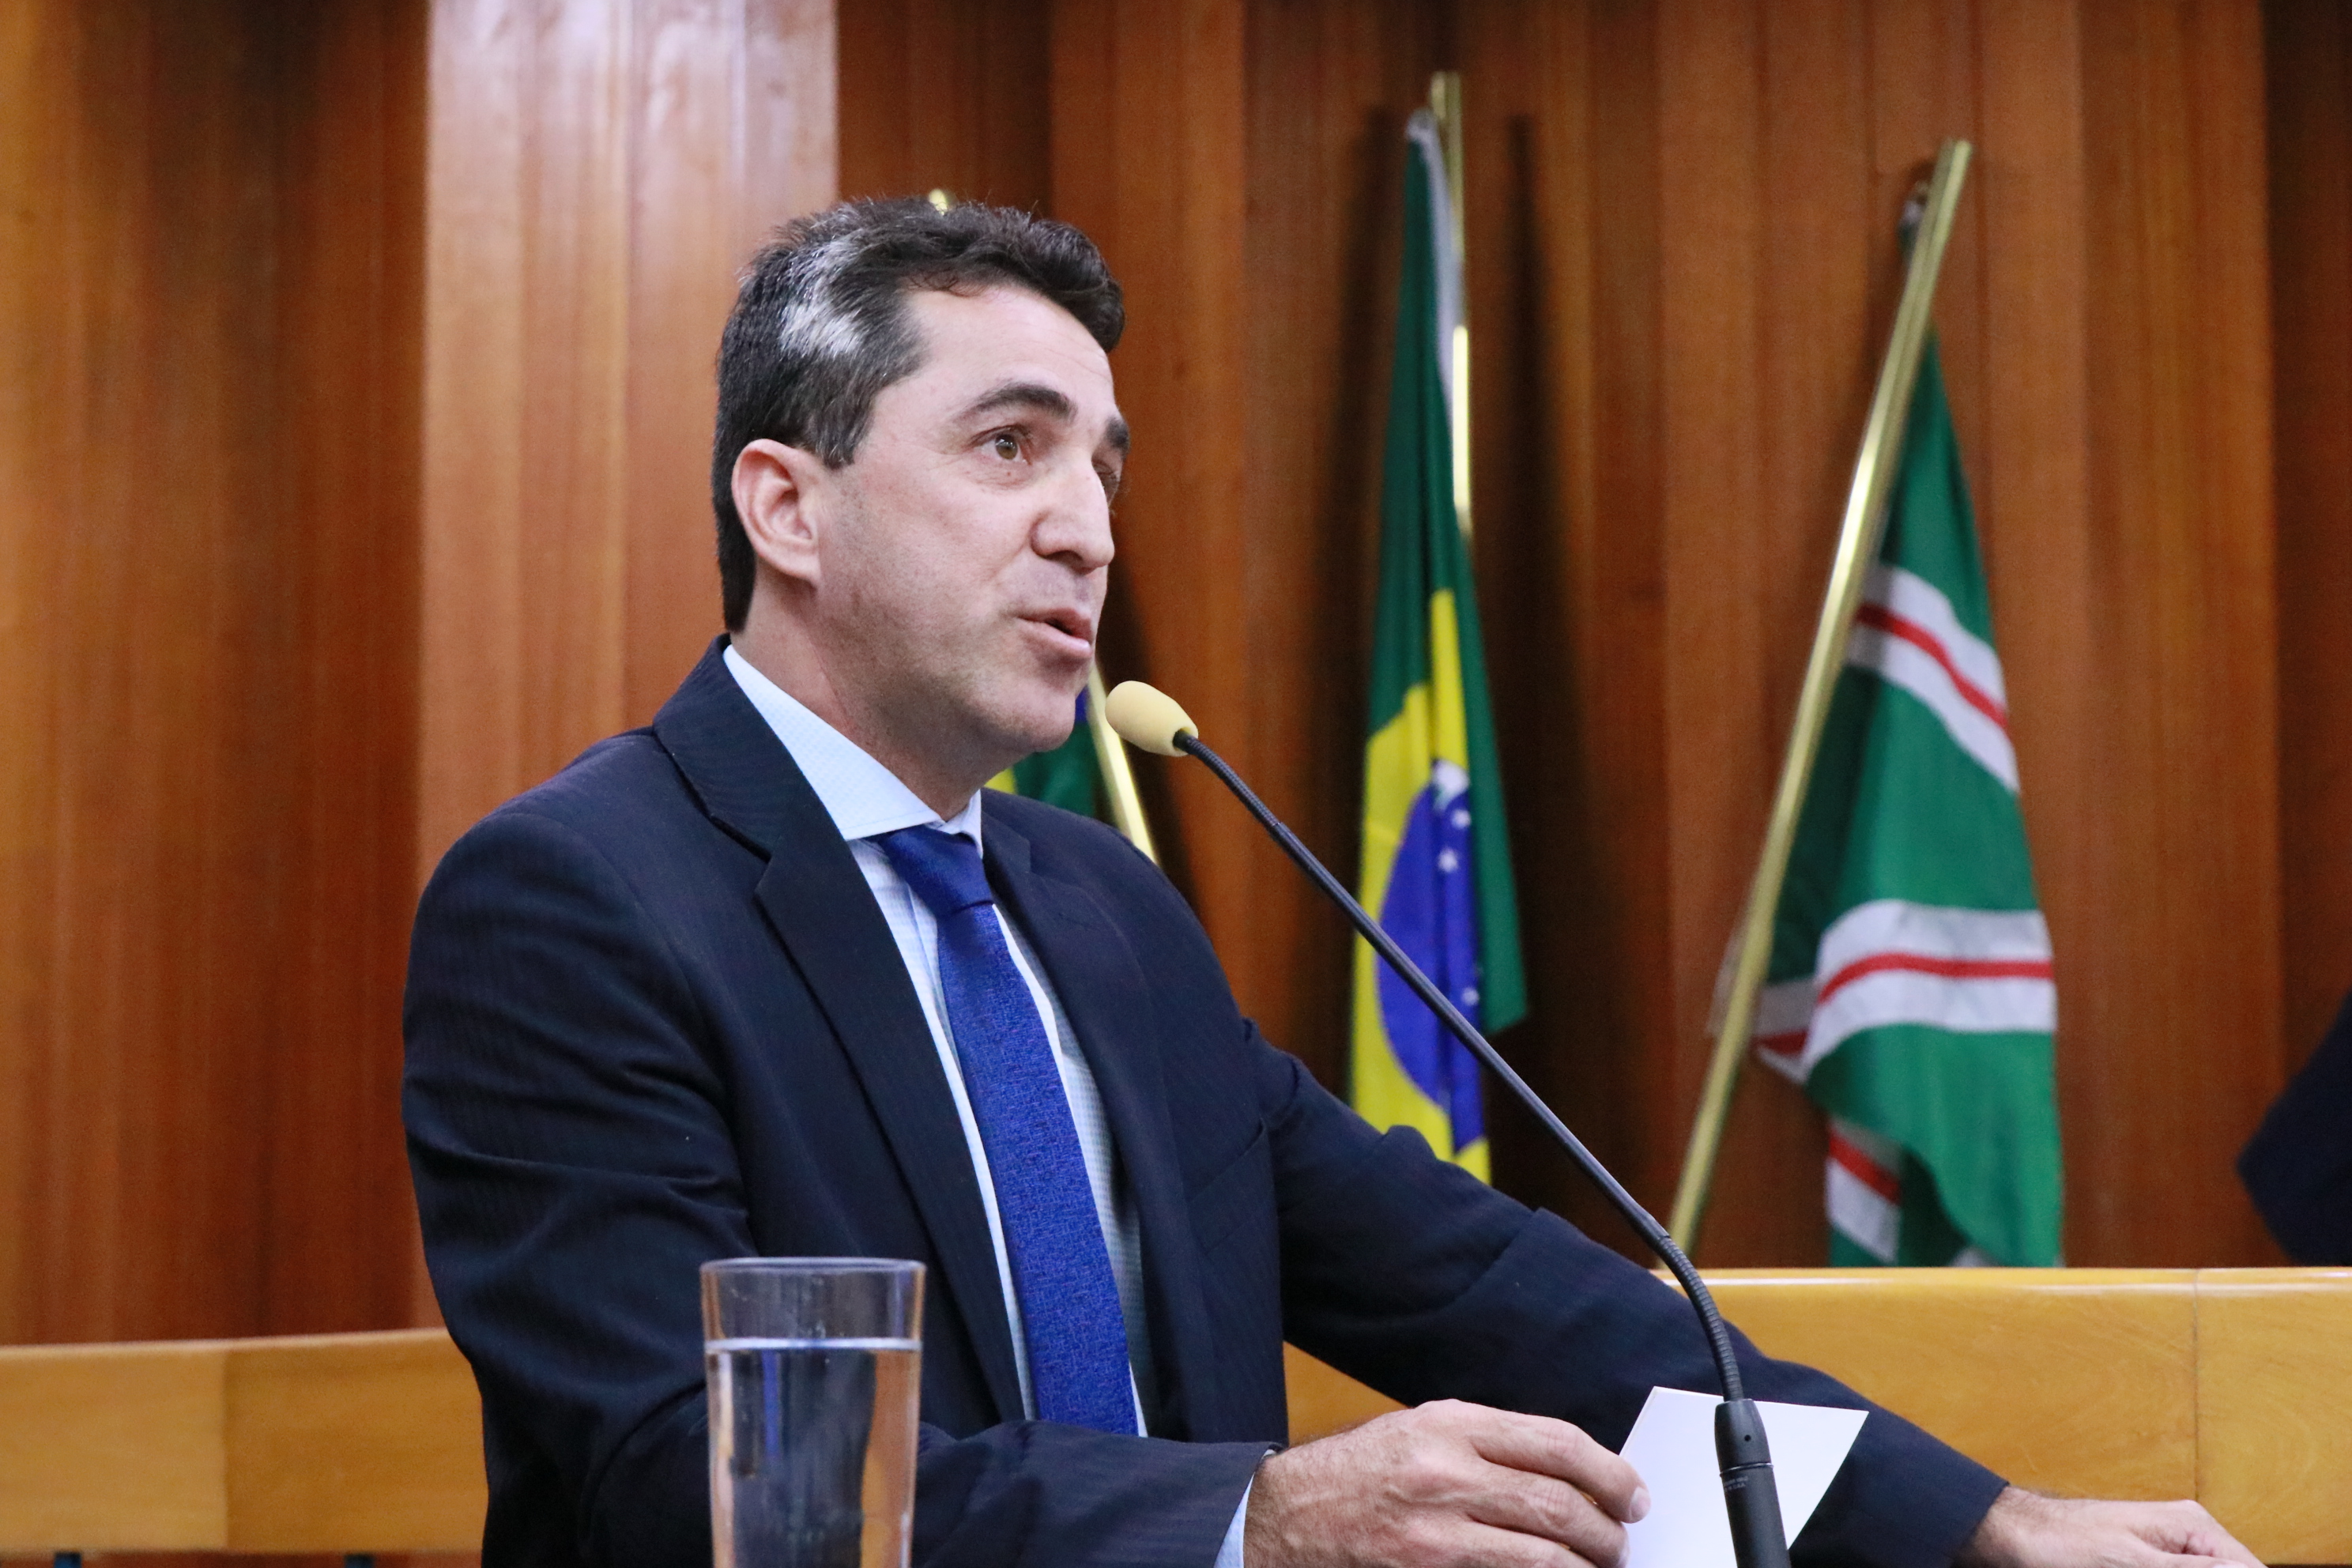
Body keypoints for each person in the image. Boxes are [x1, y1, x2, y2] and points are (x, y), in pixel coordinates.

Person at [404, 199, 2261, 1568]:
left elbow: (1491, 1288)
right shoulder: (578, 900)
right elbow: (682, 1478)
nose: (1087, 527)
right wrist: (1257, 1519)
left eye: (1104, 466)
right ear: (786, 504)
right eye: (1009, 446)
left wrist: (1985, 1521)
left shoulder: (1097, 906)